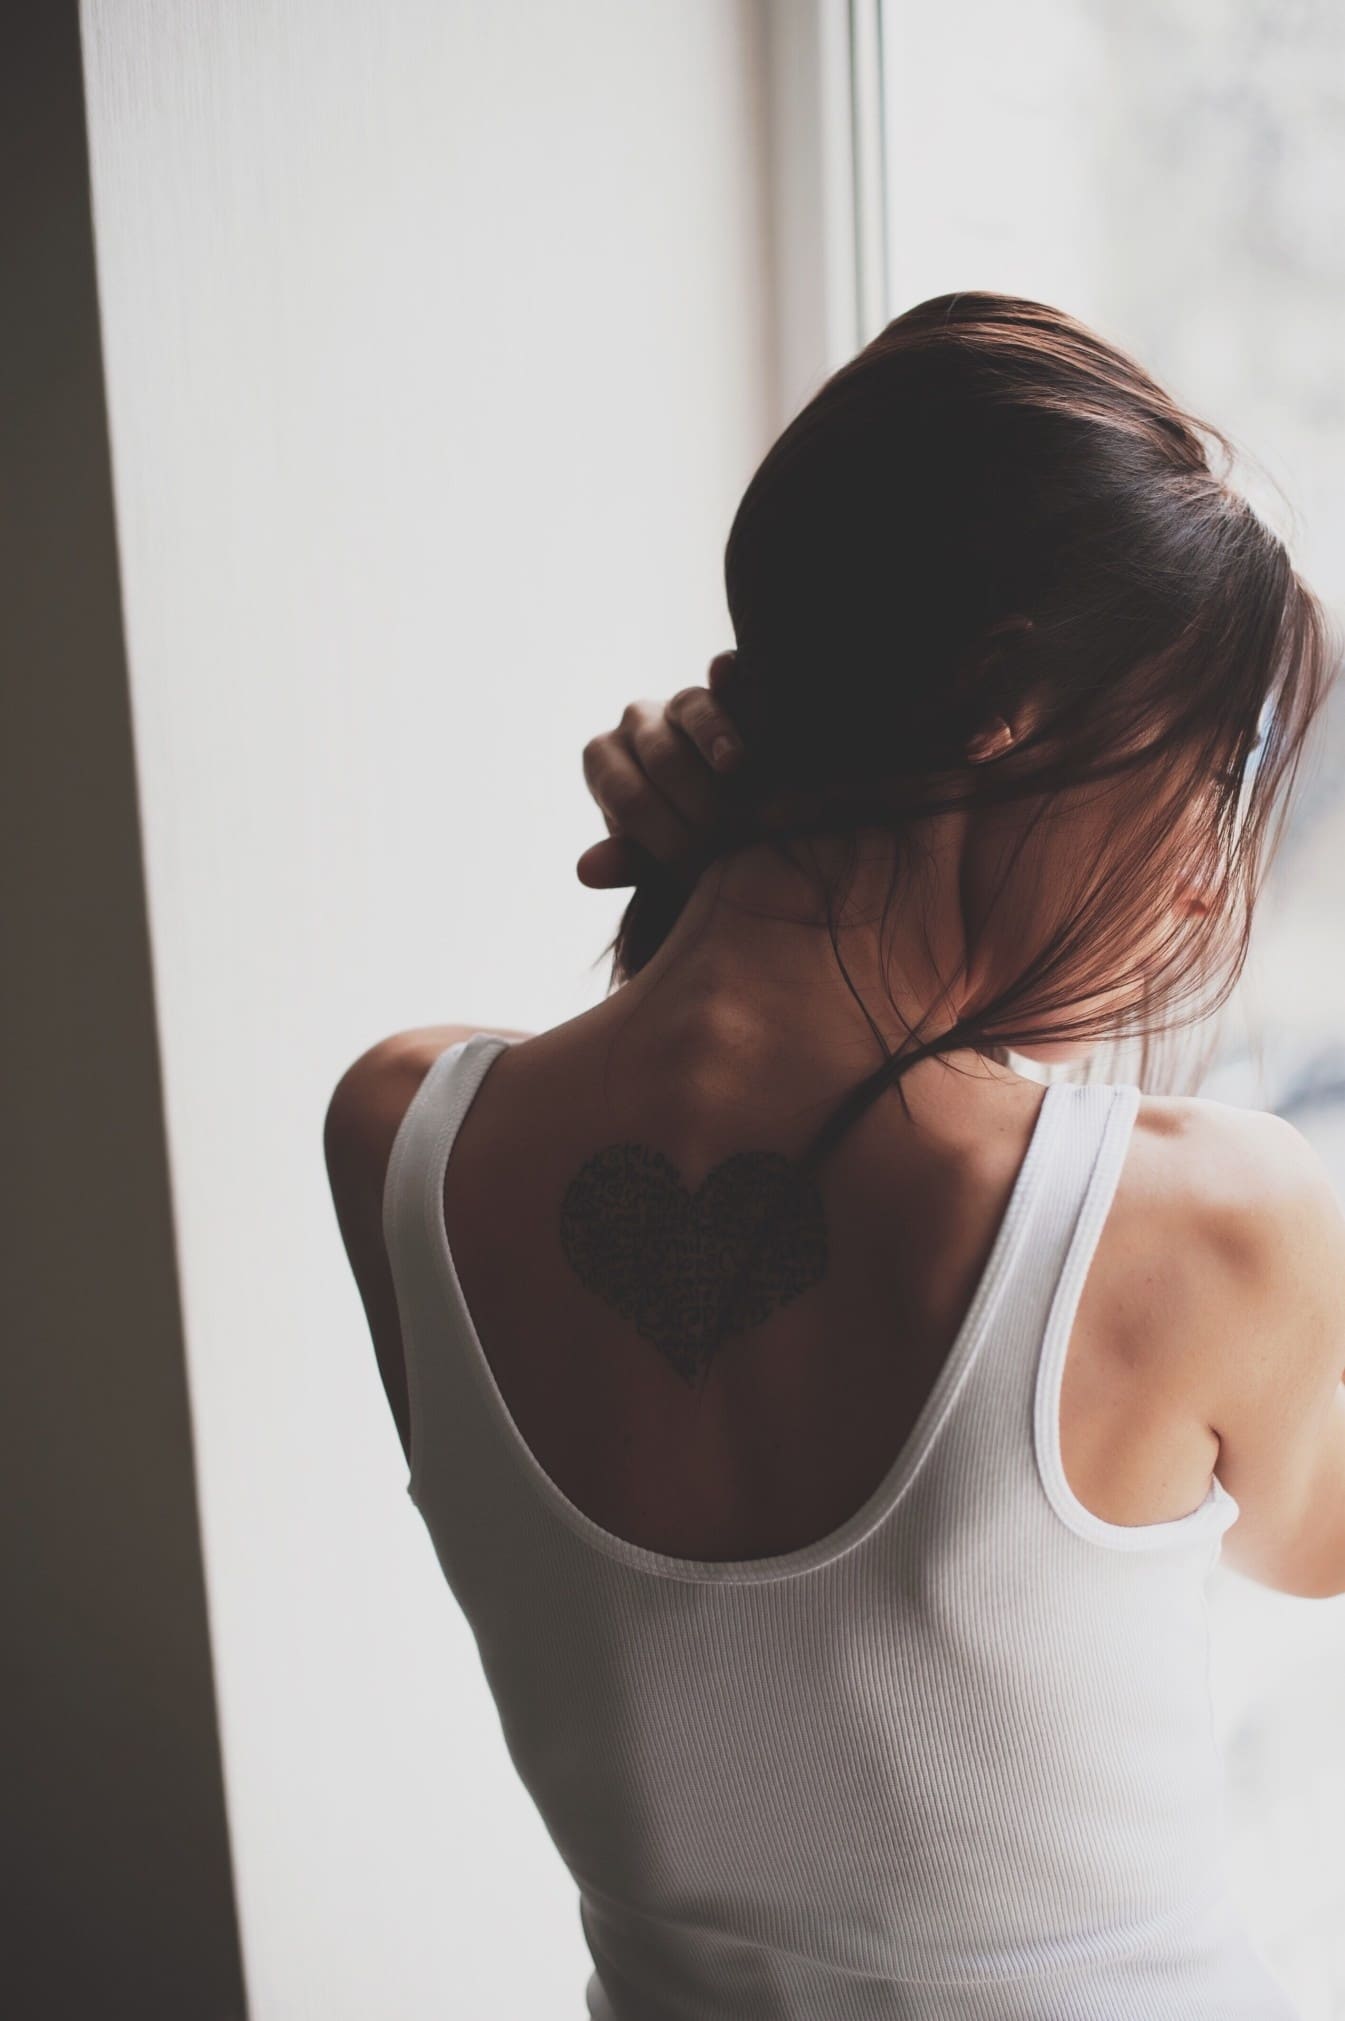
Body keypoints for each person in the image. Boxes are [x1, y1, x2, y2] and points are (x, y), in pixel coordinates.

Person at [324, 292, 1345, 2018]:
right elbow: (1308, 1546)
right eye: (1197, 774)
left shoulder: (400, 1134)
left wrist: (758, 856)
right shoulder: (1205, 1222)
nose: (1190, 881)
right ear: (999, 706)